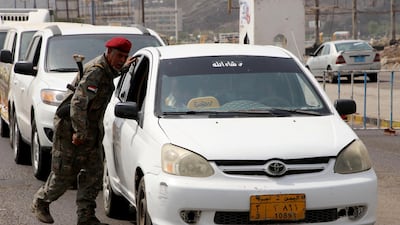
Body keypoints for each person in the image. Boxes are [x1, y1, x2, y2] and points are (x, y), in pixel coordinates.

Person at [31, 37, 135, 225]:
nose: (121, 59)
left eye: (125, 56)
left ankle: (86, 217)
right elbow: (78, 104)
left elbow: (110, 75)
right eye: (119, 55)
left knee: (94, 174)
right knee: (64, 174)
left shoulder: (107, 69)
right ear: (109, 53)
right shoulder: (96, 72)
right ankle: (41, 201)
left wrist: (125, 68)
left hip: (90, 129)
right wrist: (79, 132)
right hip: (71, 127)